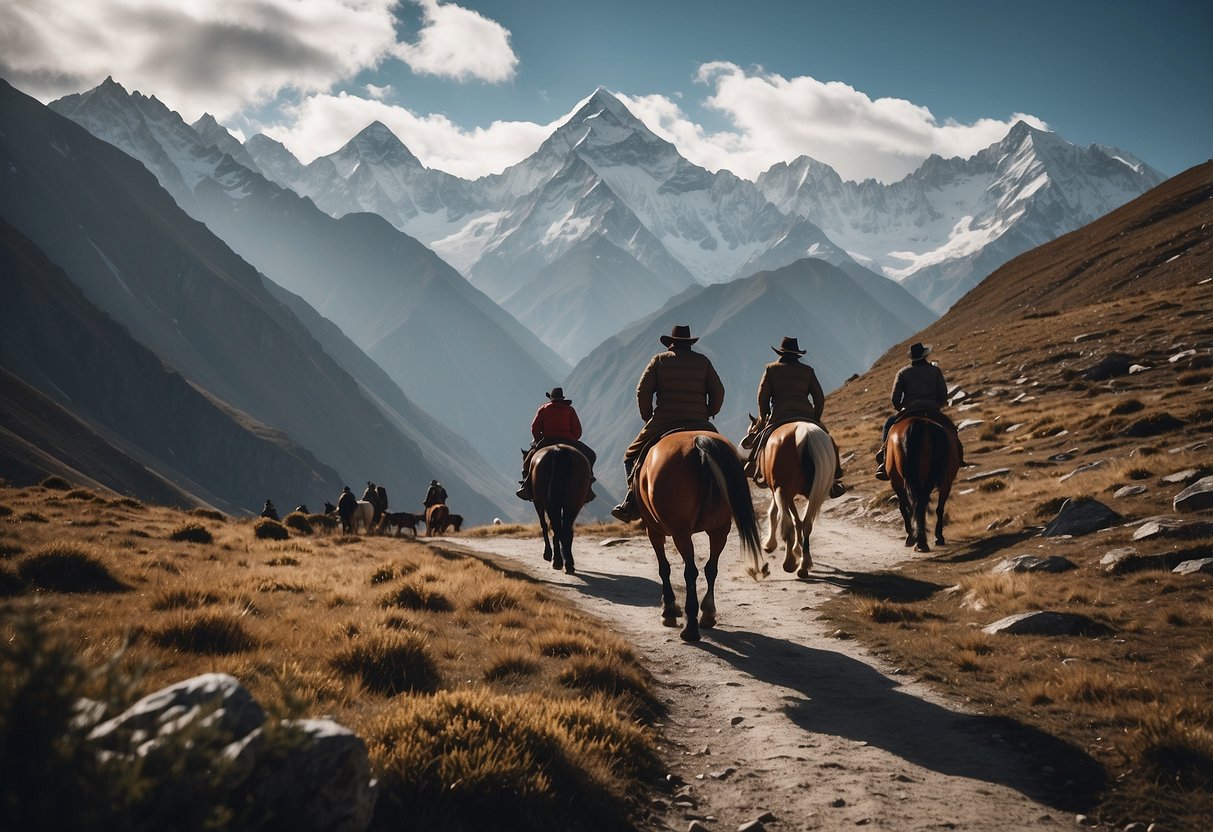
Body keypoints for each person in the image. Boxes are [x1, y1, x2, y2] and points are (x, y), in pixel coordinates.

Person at [611, 324, 725, 522]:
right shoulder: (703, 362)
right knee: (724, 455)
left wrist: (648, 417)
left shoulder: (659, 361)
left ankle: (632, 502)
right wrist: (709, 411)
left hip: (665, 421)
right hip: (699, 421)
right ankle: (732, 499)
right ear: (689, 343)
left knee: (630, 455)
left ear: (671, 343)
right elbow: (718, 391)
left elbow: (643, 391)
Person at [745, 336, 845, 497]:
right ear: (797, 355)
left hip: (779, 415)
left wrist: (764, 417)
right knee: (827, 438)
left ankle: (757, 469)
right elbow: (819, 398)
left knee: (762, 439)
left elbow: (762, 397)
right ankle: (834, 478)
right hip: (806, 415)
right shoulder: (808, 371)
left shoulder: (771, 369)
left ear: (781, 353)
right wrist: (816, 418)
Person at [875, 342, 965, 480]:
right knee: (951, 428)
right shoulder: (935, 371)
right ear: (925, 356)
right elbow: (943, 394)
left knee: (889, 424)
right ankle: (958, 457)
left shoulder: (903, 372)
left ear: (912, 358)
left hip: (909, 410)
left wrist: (900, 409)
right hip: (932, 409)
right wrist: (937, 406)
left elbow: (895, 398)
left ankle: (884, 458)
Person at [516, 387, 597, 502]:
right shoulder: (570, 410)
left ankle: (526, 485)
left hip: (547, 440)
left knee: (528, 461)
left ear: (551, 398)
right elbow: (578, 432)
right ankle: (588, 481)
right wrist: (571, 439)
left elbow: (534, 428)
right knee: (591, 455)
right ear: (562, 398)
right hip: (569, 441)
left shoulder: (543, 409)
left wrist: (539, 439)